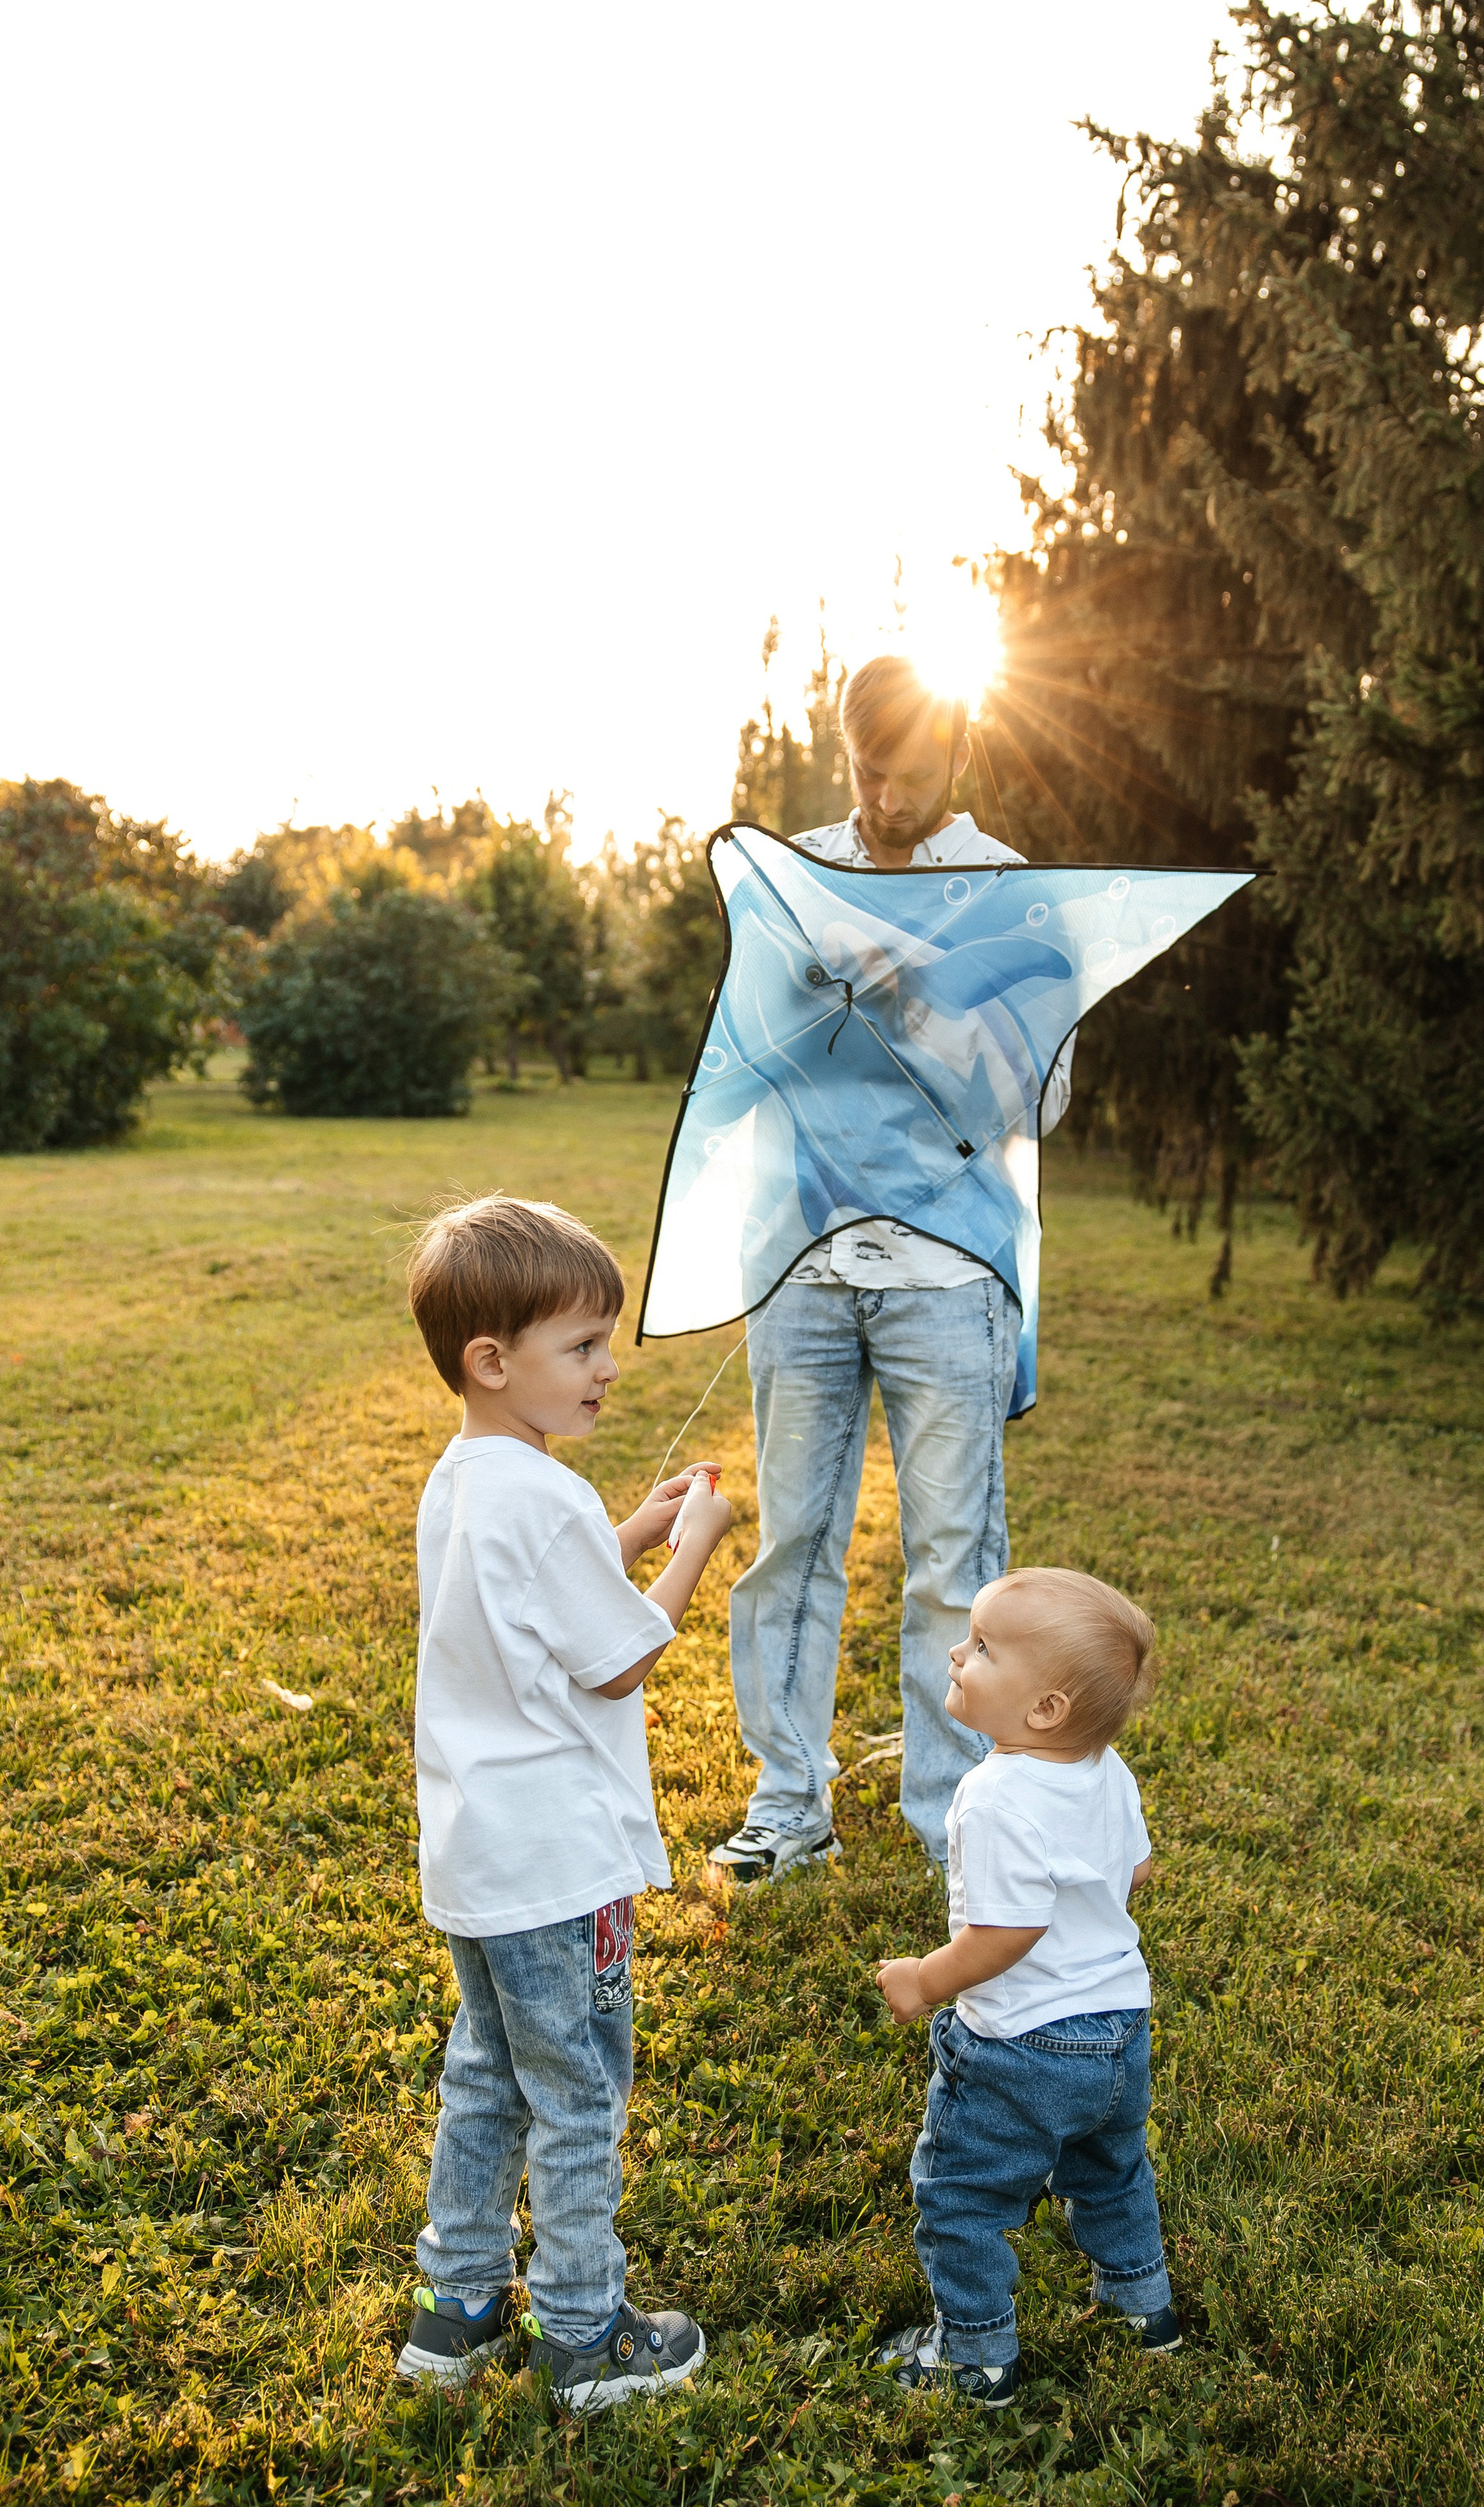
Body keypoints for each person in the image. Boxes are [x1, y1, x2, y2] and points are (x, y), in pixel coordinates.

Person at [709, 653, 1074, 1882]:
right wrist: (814, 1001)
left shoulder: (1008, 892)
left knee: (950, 1565)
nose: (886, 798)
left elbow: (1048, 1093)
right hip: (801, 1259)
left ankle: (949, 1827)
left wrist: (920, 999)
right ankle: (788, 1805)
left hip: (947, 1271)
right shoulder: (793, 876)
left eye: (911, 777)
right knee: (791, 1545)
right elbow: (745, 1054)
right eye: (868, 771)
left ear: (956, 761)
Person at [392, 1195, 734, 2410]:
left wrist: (628, 1525)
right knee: (579, 2091)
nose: (607, 1371)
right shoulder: (544, 1502)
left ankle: (458, 2308)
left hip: (482, 1861)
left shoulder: (470, 1480)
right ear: (494, 1361)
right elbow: (616, 1657)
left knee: (485, 2074)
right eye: (583, 1347)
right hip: (557, 1869)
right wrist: (693, 1541)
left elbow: (545, 1596)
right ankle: (587, 2333)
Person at [873, 1567, 1181, 2405]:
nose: (956, 1652)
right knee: (1112, 2170)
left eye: (980, 1648)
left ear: (1043, 1708)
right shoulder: (1105, 1768)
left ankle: (975, 2356)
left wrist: (923, 1980)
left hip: (1024, 2046)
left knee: (961, 2197)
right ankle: (1140, 2309)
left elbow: (1008, 1933)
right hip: (1119, 2025)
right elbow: (1137, 1868)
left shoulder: (993, 1794)